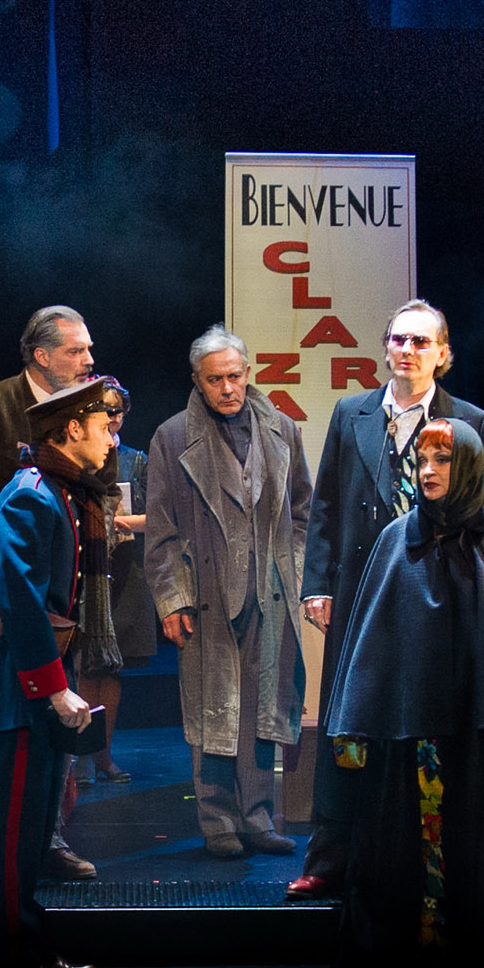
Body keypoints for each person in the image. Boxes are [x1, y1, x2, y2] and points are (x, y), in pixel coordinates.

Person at [325, 418, 484, 968]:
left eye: (443, 460)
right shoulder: (396, 540)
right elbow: (370, 640)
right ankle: (389, 957)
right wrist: (354, 720)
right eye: (422, 460)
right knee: (391, 849)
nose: (429, 471)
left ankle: (470, 958)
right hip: (405, 732)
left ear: (468, 468)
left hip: (475, 736)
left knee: (475, 846)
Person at [289, 299, 484, 898]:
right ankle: (331, 857)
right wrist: (318, 584)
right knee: (349, 719)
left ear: (443, 354)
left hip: (439, 597)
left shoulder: (469, 420)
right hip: (362, 591)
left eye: (421, 341)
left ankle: (425, 854)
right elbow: (326, 505)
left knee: (429, 723)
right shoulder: (352, 412)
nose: (407, 350)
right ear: (385, 348)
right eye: (399, 339)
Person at [0, 304, 110, 881]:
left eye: (88, 349)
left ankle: (46, 838)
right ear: (42, 355)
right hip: (3, 590)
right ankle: (0, 847)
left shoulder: (88, 406)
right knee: (8, 728)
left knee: (55, 725)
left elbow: (97, 487)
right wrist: (20, 543)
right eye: (76, 350)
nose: (88, 359)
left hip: (61, 594)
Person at [0, 377, 121, 968]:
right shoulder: (30, 496)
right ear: (71, 429)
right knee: (14, 833)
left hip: (42, 680)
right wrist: (53, 688)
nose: (113, 439)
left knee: (35, 827)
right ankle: (12, 965)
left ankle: (30, 946)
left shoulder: (62, 492)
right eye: (104, 426)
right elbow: (21, 600)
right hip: (21, 686)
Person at [146, 327, 312, 859]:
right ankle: (217, 820)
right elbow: (161, 529)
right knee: (212, 706)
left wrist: (294, 573)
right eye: (215, 380)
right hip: (207, 593)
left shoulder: (282, 429)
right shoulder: (174, 436)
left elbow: (304, 512)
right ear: (198, 381)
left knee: (263, 707)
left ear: (248, 373)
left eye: (234, 377)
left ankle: (258, 817)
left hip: (269, 592)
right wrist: (172, 599)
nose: (227, 388)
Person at [78, 389, 155, 784]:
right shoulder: (77, 455)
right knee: (83, 665)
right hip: (82, 571)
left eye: (117, 411)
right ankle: (81, 757)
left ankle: (104, 756)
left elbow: (160, 515)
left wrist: (119, 521)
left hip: (124, 571)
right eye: (103, 410)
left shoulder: (136, 460)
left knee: (112, 668)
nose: (111, 417)